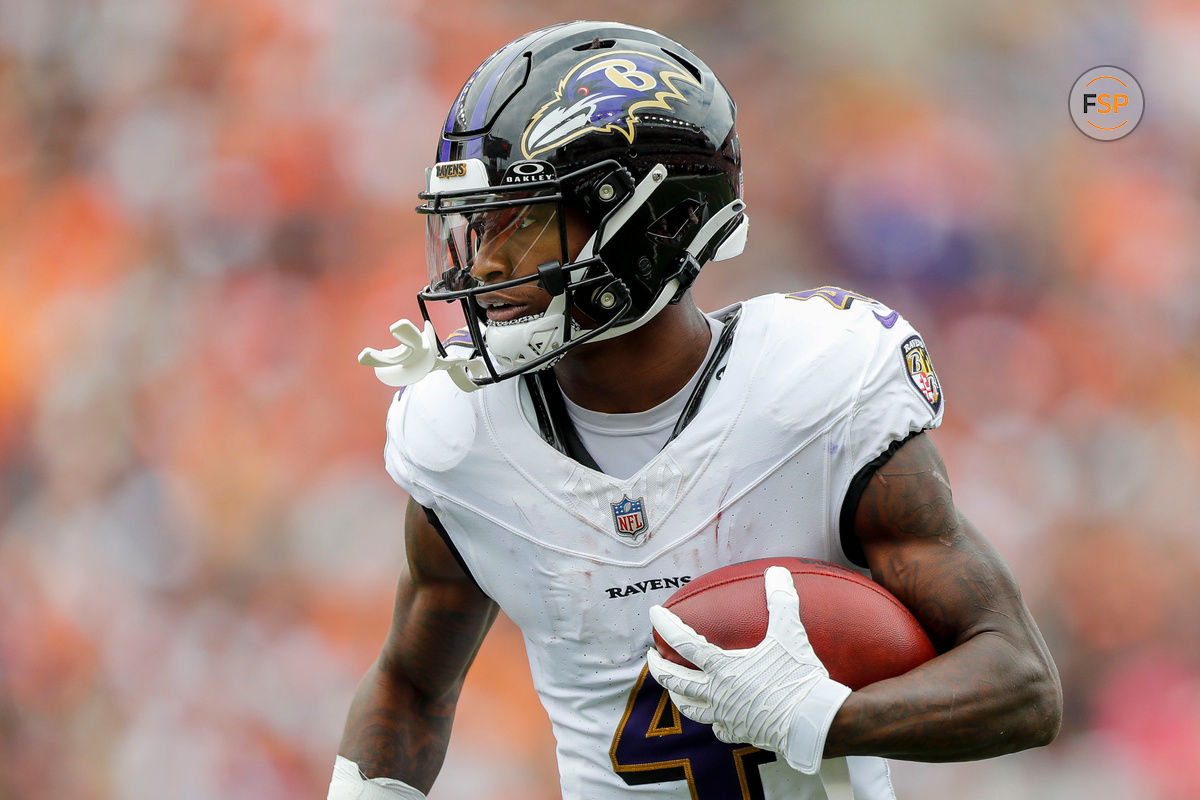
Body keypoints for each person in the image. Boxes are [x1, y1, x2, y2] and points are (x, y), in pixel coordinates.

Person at [330, 20, 1062, 800]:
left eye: (524, 221)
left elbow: (1020, 683)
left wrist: (824, 719)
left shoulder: (813, 392)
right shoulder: (463, 437)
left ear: (649, 221)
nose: (484, 262)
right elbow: (410, 686)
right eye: (479, 225)